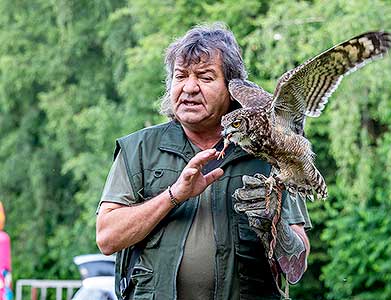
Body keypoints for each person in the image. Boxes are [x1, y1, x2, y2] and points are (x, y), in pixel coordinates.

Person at [96, 23, 312, 300]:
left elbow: (297, 267)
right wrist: (174, 195)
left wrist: (276, 225)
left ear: (231, 89)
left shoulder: (270, 151)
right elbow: (107, 239)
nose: (189, 87)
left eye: (205, 77)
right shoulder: (139, 149)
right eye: (180, 76)